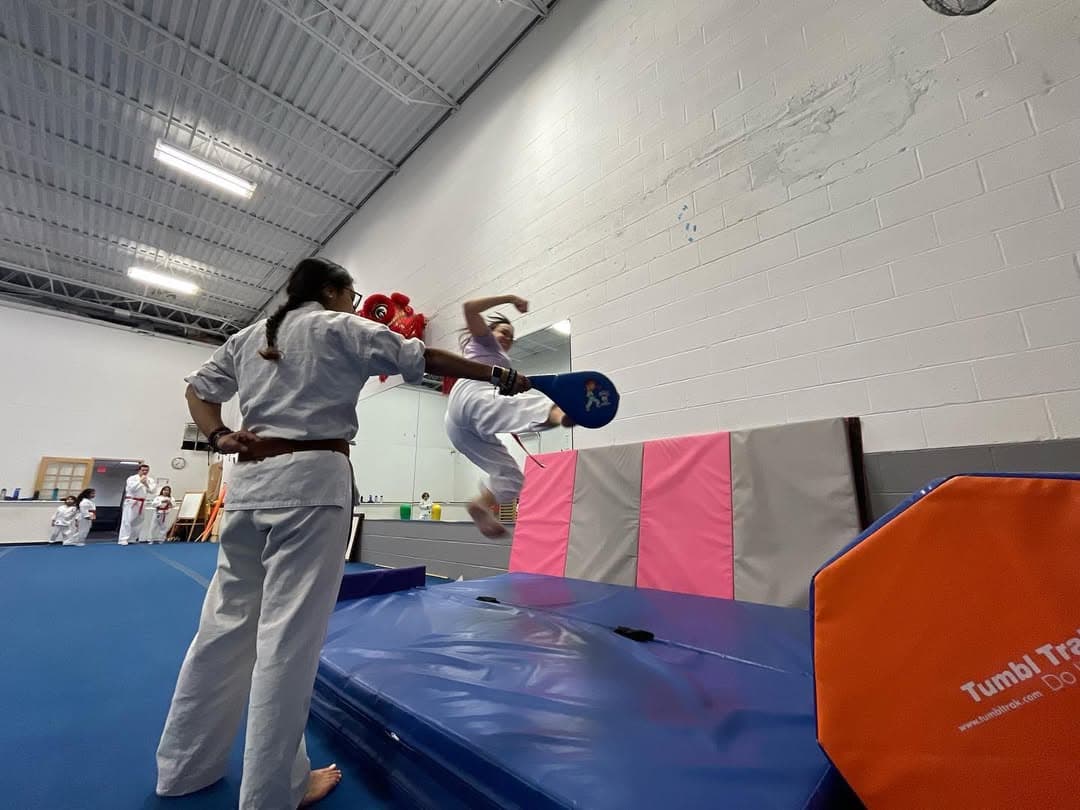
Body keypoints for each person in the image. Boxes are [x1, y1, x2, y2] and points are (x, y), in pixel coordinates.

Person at [155, 257, 529, 810]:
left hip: (251, 485)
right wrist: (499, 374)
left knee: (223, 627)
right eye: (351, 294)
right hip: (311, 484)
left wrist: (218, 435)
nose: (356, 303)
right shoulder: (341, 327)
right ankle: (273, 792)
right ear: (330, 291)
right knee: (288, 640)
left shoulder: (250, 336)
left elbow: (198, 390)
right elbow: (423, 357)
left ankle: (184, 768)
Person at [445, 294, 573, 538]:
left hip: (461, 430)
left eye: (511, 337)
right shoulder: (484, 344)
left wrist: (513, 384)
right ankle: (558, 414)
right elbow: (469, 308)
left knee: (512, 477)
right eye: (503, 332)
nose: (507, 338)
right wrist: (510, 298)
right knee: (530, 403)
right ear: (489, 331)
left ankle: (480, 505)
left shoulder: (502, 364)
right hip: (470, 397)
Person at [118, 463, 155, 544]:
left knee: (138, 521)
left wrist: (146, 484)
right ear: (139, 470)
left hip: (142, 502)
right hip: (132, 501)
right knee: (127, 520)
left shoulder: (150, 480)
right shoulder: (132, 478)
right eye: (143, 470)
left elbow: (152, 491)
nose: (145, 472)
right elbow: (132, 489)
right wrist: (140, 482)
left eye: (146, 470)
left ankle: (133, 538)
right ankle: (123, 539)